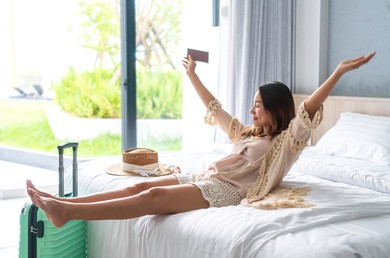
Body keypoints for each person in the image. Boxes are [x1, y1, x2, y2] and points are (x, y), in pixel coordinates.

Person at [26, 52, 376, 228]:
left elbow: (308, 110)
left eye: (258, 105)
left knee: (154, 195)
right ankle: (62, 202)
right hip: (205, 177)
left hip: (227, 191)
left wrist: (337, 73)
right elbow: (214, 106)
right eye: (252, 104)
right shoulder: (245, 133)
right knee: (138, 188)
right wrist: (193, 74)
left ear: (275, 109)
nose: (252, 110)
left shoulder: (285, 143)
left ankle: (67, 211)